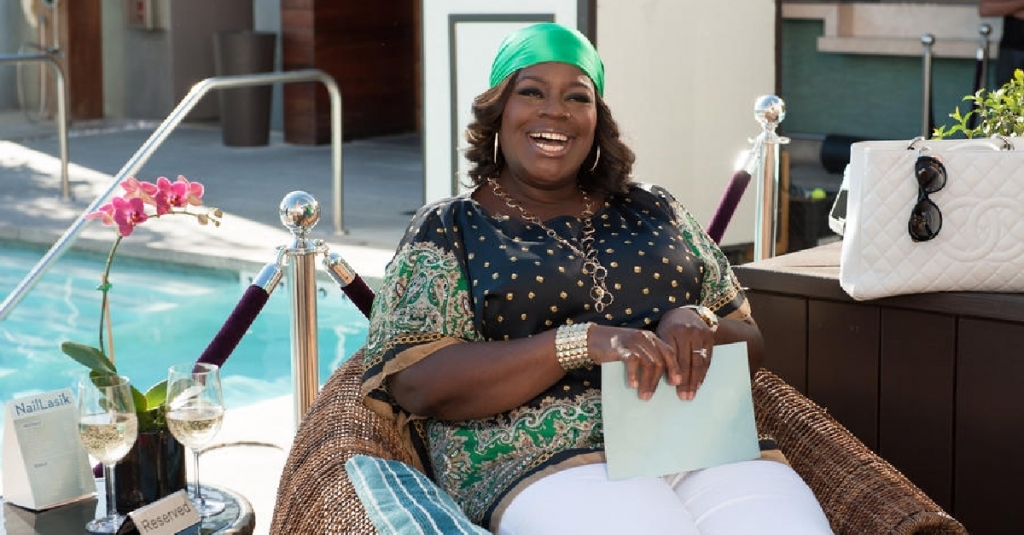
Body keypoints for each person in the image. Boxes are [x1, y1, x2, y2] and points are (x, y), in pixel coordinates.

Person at [360, 22, 832, 534]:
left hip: (696, 440)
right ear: (499, 112)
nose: (555, 111)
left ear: (596, 119)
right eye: (531, 92)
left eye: (577, 96)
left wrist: (696, 319)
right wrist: (578, 343)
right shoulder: (452, 227)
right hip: (537, 462)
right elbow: (417, 382)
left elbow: (750, 345)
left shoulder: (655, 208)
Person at [979, 0, 1024, 87]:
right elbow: (985, 9)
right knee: (1007, 93)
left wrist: (1014, 9)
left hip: (1012, 51)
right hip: (1012, 50)